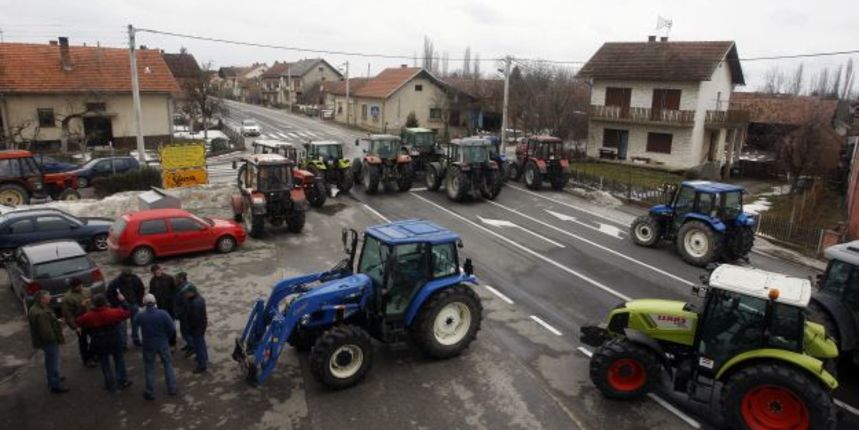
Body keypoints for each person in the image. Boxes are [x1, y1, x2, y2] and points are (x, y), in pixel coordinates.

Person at [76, 294, 133, 393]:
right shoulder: (114, 312)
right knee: (119, 360)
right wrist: (123, 301)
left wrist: (81, 308)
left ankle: (109, 383)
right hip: (115, 340)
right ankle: (122, 381)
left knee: (104, 363)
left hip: (99, 342)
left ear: (93, 304)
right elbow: (128, 313)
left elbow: (78, 321)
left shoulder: (88, 316)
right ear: (105, 302)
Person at [137, 294, 177, 400]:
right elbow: (172, 329)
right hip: (162, 342)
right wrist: (166, 338)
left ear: (144, 304)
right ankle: (172, 388)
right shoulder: (163, 314)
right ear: (155, 302)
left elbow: (135, 324)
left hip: (148, 344)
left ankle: (150, 391)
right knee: (167, 364)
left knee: (149, 367)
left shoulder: (141, 315)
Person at [28, 290, 68, 394]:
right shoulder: (41, 313)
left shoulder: (36, 308)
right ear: (42, 299)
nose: (50, 297)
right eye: (48, 297)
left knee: (50, 361)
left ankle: (53, 378)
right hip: (49, 342)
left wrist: (56, 320)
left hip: (43, 341)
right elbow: (46, 332)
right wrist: (56, 340)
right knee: (53, 363)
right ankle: (55, 385)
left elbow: (46, 322)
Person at [61, 278, 96, 367]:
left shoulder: (87, 291)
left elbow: (93, 303)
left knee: (96, 338)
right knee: (83, 342)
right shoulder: (67, 298)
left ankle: (93, 355)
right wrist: (75, 327)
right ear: (73, 287)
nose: (80, 287)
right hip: (80, 323)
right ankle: (87, 359)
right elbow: (68, 315)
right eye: (78, 286)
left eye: (81, 285)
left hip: (91, 320)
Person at [107, 268, 145, 347]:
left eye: (129, 276)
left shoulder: (135, 279)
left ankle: (135, 339)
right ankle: (123, 343)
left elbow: (141, 289)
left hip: (133, 303)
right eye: (126, 276)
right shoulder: (115, 283)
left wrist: (139, 301)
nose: (128, 278)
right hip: (121, 307)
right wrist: (116, 304)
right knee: (122, 326)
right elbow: (109, 295)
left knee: (135, 323)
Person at [183, 285, 208, 373]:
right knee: (201, 343)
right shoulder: (198, 299)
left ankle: (202, 365)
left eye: (186, 293)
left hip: (197, 327)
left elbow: (195, 318)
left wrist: (190, 327)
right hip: (201, 326)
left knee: (199, 345)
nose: (185, 295)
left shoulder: (195, 303)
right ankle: (204, 358)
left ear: (192, 292)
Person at [174, 272, 194, 354]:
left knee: (185, 332)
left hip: (185, 315)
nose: (175, 280)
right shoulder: (185, 286)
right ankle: (189, 345)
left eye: (177, 278)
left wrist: (178, 314)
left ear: (181, 279)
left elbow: (184, 304)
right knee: (186, 331)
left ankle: (192, 346)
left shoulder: (183, 289)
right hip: (185, 314)